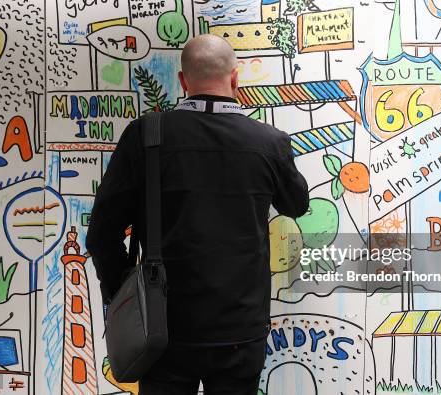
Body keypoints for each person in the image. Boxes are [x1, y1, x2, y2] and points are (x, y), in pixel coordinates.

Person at [86, 34, 309, 395]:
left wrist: (123, 294)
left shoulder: (147, 135)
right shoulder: (269, 142)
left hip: (162, 326)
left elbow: (101, 233)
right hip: (240, 326)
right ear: (235, 78)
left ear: (183, 81)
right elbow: (296, 205)